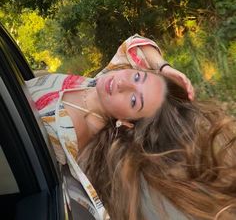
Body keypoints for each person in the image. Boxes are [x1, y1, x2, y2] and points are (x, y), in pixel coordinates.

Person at [26, 34, 236, 219]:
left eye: (134, 100)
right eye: (138, 76)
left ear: (126, 123)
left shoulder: (71, 136)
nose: (122, 84)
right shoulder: (95, 83)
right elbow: (134, 43)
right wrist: (165, 67)